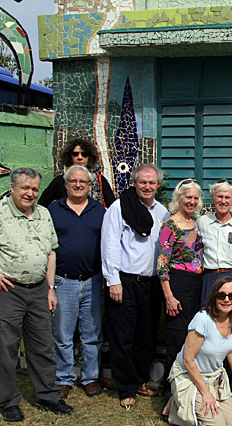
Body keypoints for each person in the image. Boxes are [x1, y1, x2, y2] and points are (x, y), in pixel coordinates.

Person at [0, 167, 73, 421]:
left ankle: (49, 396)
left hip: (40, 290)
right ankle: (9, 402)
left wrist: (51, 289)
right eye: (25, 188)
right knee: (7, 349)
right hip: (7, 291)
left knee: (43, 347)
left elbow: (51, 251)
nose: (30, 193)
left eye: (34, 189)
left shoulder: (43, 214)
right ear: (12, 188)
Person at [102, 163, 169, 409]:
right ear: (134, 183)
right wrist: (113, 281)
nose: (147, 187)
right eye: (142, 182)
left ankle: (140, 379)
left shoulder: (162, 212)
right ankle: (125, 387)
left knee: (146, 336)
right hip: (125, 281)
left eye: (152, 183)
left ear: (158, 185)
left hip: (151, 284)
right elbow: (109, 246)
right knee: (123, 336)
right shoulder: (119, 208)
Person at [47, 165, 106, 399]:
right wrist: (50, 285)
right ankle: (64, 378)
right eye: (73, 181)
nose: (78, 185)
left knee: (92, 334)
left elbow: (107, 246)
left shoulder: (100, 211)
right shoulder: (53, 210)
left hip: (93, 281)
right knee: (63, 334)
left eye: (83, 182)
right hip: (64, 282)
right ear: (66, 184)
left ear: (90, 186)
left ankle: (90, 378)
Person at [165, 277, 232, 426]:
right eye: (221, 295)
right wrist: (206, 393)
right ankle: (175, 405)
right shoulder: (202, 319)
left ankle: (202, 402)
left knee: (231, 423)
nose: (226, 300)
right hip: (191, 376)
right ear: (214, 297)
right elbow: (188, 360)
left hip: (214, 376)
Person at [158, 179, 204, 400]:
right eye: (188, 197)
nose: (192, 201)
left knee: (193, 338)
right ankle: (169, 393)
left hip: (196, 284)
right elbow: (162, 264)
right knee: (176, 339)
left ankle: (188, 388)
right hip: (177, 284)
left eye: (195, 198)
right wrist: (169, 296)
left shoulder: (195, 223)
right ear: (179, 198)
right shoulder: (170, 225)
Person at [38, 139, 115, 208]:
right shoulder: (59, 181)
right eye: (75, 154)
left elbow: (112, 207)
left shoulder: (99, 181)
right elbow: (41, 206)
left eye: (84, 154)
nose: (80, 157)